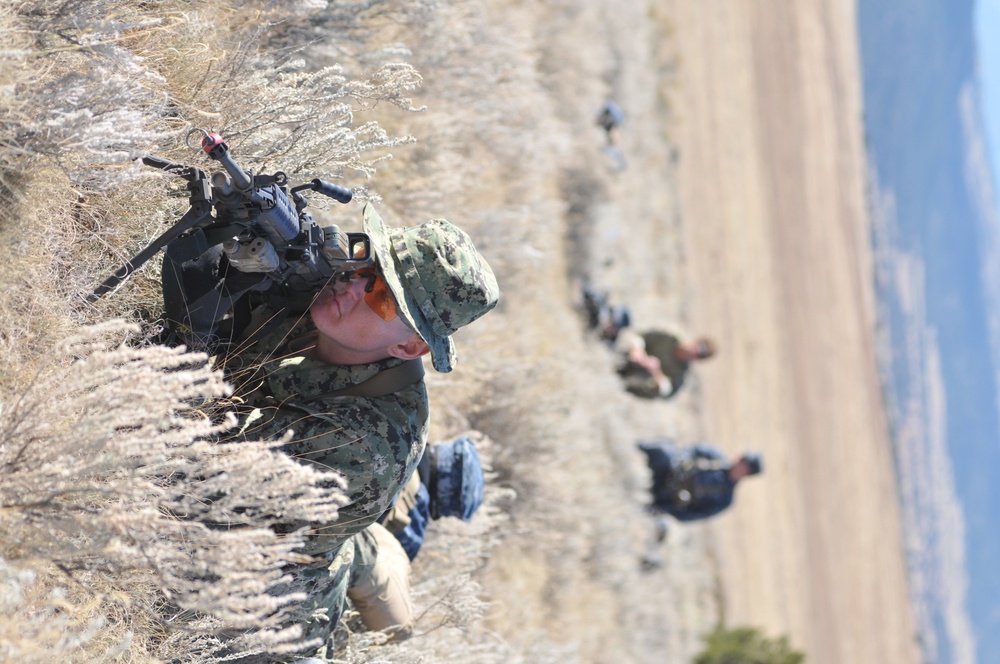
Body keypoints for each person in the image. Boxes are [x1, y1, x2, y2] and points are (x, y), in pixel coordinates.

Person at [161, 202, 499, 660]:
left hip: (265, 602)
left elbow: (187, 470)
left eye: (382, 294)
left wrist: (189, 340)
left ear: (409, 346)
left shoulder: (366, 444)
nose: (354, 282)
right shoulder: (336, 310)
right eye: (367, 263)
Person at [637, 439, 763, 522]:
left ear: (747, 473)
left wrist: (670, 509)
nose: (739, 464)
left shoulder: (725, 498)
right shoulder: (716, 458)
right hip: (666, 474)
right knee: (661, 449)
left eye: (744, 466)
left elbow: (693, 515)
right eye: (742, 460)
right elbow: (695, 450)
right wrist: (681, 459)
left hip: (664, 500)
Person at [616, 329, 716, 399]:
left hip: (627, 384)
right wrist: (638, 351)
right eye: (695, 347)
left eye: (697, 354)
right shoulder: (669, 340)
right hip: (624, 359)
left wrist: (656, 373)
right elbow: (641, 337)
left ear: (697, 359)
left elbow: (666, 391)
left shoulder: (679, 374)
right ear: (694, 342)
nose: (692, 351)